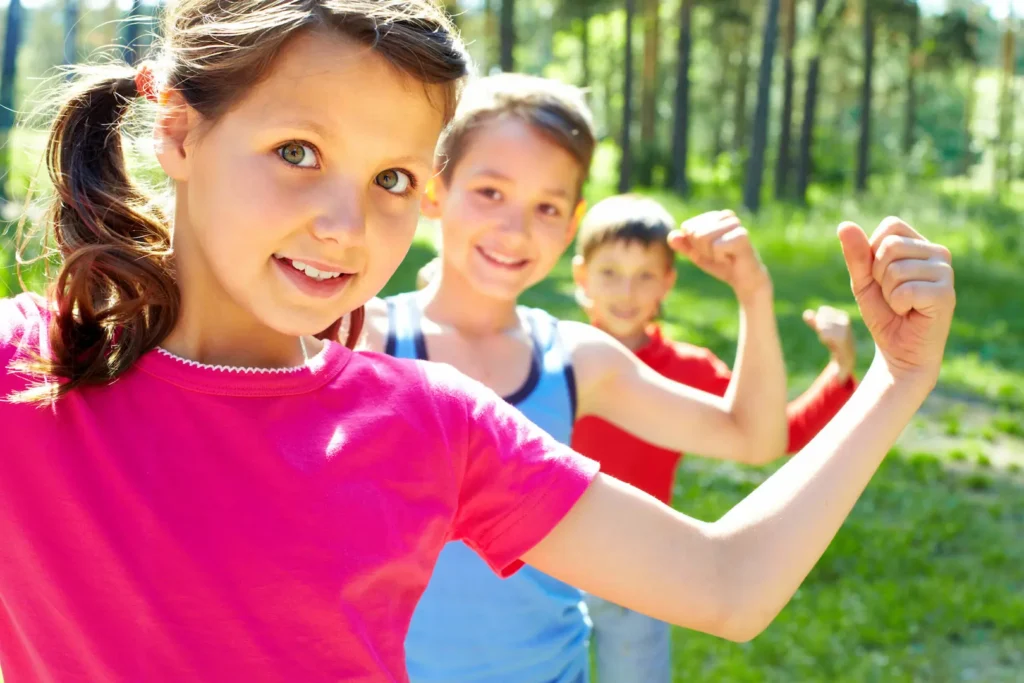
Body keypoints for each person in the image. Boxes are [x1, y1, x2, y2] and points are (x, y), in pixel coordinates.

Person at [0, 5, 955, 683]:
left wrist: (896, 379)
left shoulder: (430, 421)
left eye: (394, 178)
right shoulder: (23, 370)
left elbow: (728, 583)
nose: (345, 222)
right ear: (176, 130)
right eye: (298, 152)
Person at [362, 74, 954, 683]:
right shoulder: (364, 342)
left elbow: (753, 435)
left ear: (572, 225)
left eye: (547, 206)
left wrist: (754, 292)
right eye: (489, 191)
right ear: (435, 188)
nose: (516, 229)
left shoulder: (575, 358)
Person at [569, 194, 859, 682]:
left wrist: (840, 369)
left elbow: (776, 432)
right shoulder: (551, 355)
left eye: (645, 275)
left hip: (640, 572)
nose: (626, 290)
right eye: (610, 272)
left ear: (668, 282)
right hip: (545, 569)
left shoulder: (689, 369)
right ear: (581, 278)